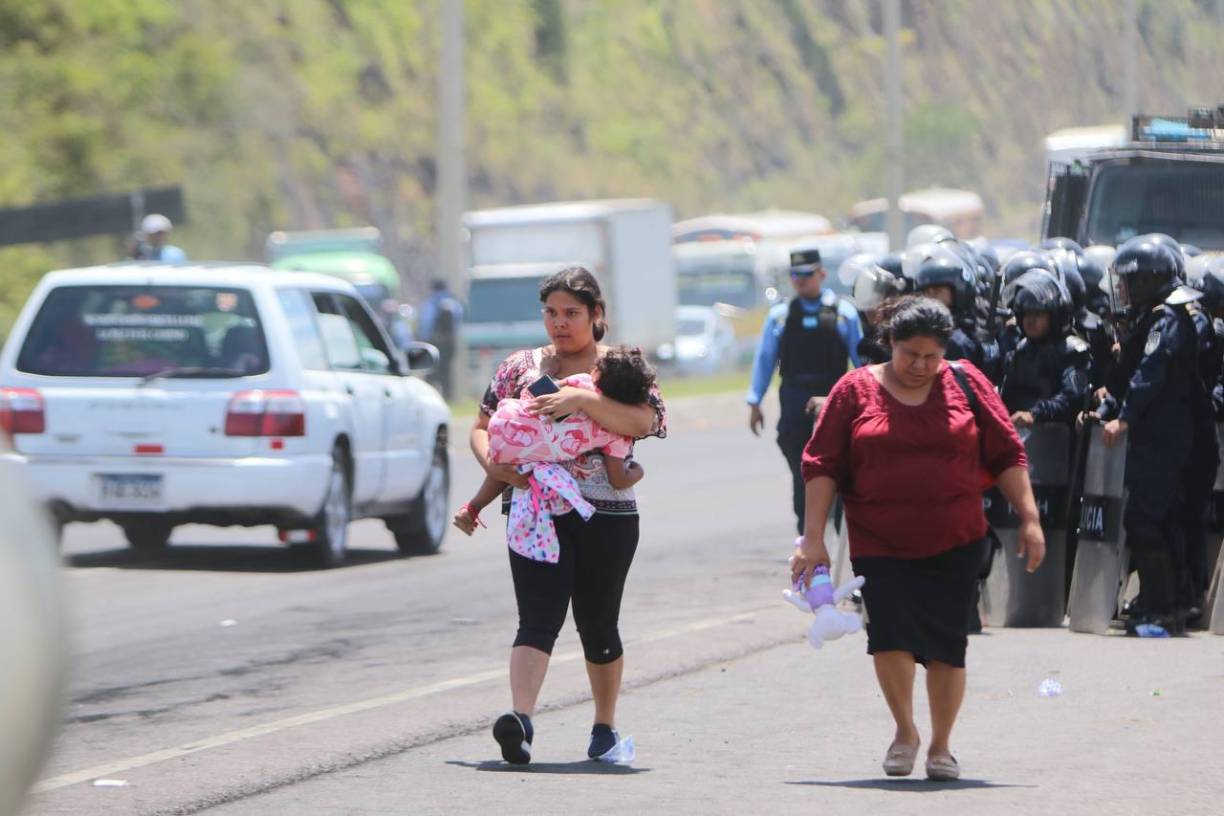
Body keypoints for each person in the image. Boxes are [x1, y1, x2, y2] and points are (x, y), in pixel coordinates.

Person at [793, 296, 1043, 781]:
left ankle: (942, 746)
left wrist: (1029, 518)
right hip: (879, 542)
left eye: (932, 357)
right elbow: (820, 463)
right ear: (890, 345)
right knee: (891, 636)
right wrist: (813, 539)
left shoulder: (967, 382)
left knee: (949, 645)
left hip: (955, 541)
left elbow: (1007, 452)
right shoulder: (854, 390)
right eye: (911, 355)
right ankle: (905, 731)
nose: (921, 366)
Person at [469, 266, 666, 765]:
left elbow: (647, 420)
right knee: (537, 616)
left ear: (596, 315)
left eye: (571, 313)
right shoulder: (519, 367)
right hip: (534, 511)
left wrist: (582, 398)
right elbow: (481, 426)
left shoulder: (620, 365)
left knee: (598, 623)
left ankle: (604, 726)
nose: (559, 323)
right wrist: (496, 465)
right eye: (551, 313)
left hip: (608, 518)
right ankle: (521, 721)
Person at [1093, 236, 1210, 634]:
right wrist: (1105, 408)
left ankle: (1165, 607)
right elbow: (1125, 373)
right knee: (1154, 519)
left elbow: (1152, 369)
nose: (1123, 289)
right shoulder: (1150, 316)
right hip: (1154, 435)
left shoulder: (1171, 315)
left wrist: (1124, 417)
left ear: (1149, 280)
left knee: (1147, 518)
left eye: (1130, 281)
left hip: (1169, 435)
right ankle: (1163, 602)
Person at [453, 346, 651, 535]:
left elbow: (536, 394)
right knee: (520, 462)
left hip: (508, 416)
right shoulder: (617, 434)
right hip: (528, 446)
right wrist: (638, 471)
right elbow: (618, 480)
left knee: (507, 462)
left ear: (597, 373)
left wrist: (545, 371)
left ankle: (473, 506)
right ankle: (472, 508)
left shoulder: (581, 382)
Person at [747, 248, 862, 533]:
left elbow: (861, 362)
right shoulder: (780, 317)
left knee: (839, 465)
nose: (800, 281)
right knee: (802, 470)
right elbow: (765, 360)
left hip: (835, 398)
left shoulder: (843, 314)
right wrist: (754, 401)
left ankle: (837, 523)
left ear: (821, 274)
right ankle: (807, 531)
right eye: (795, 275)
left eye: (807, 274)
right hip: (795, 399)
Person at [1000, 270, 1092, 429]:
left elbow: (1072, 398)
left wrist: (1035, 414)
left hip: (1058, 444)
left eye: (1038, 314)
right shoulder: (1020, 351)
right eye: (1026, 314)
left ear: (1054, 316)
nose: (1030, 320)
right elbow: (1006, 397)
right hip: (1021, 439)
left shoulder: (1073, 352)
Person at [418, 279, 464, 400]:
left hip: (434, 341)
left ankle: (430, 396)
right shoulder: (455, 303)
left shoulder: (431, 302)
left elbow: (426, 322)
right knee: (447, 370)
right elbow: (459, 321)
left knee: (431, 371)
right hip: (450, 342)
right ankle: (448, 396)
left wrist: (423, 339)